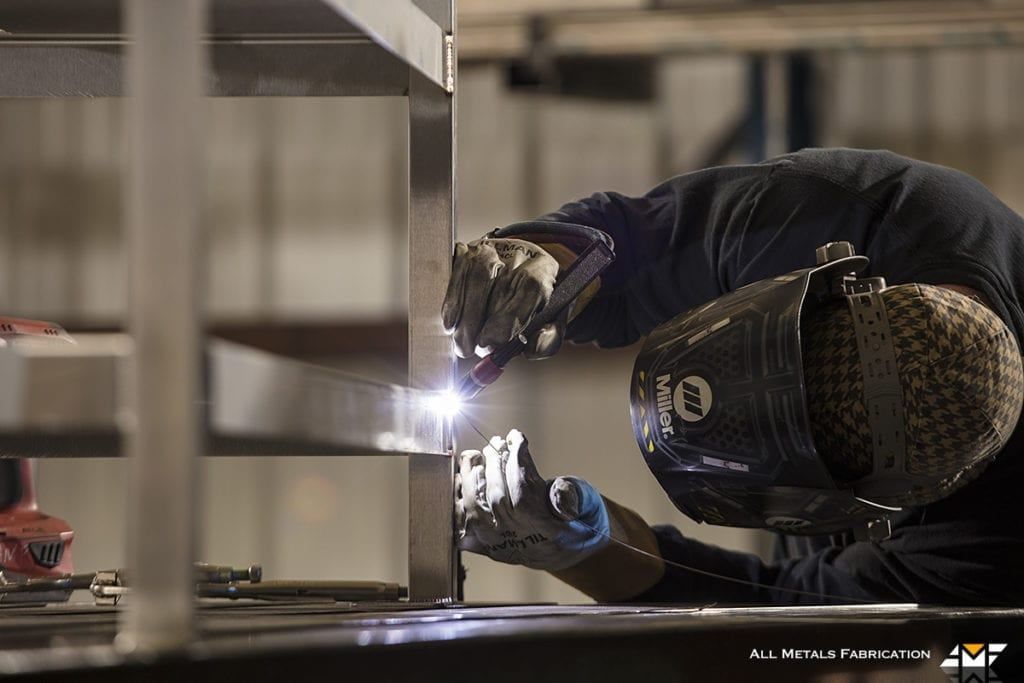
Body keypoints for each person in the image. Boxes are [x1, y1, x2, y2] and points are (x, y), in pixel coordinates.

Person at [445, 148, 1024, 606]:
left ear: (897, 502)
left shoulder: (987, 557)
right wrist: (539, 268)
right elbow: (642, 244)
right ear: (839, 286)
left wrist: (581, 545)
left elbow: (777, 609)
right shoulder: (865, 210)